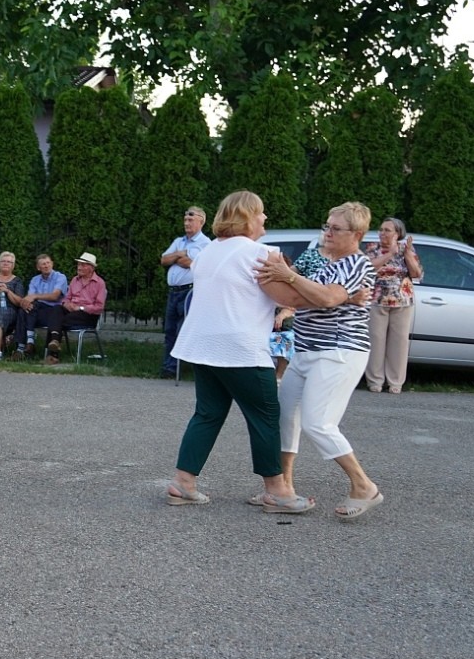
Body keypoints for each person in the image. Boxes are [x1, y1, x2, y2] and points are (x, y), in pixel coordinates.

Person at [165, 192, 312, 513]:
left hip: (203, 346)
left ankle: (183, 482)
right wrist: (331, 292)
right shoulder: (261, 254)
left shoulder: (207, 252)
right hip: (241, 349)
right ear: (246, 218)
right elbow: (292, 298)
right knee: (265, 416)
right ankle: (277, 491)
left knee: (207, 413)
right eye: (260, 213)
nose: (265, 219)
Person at [255, 201, 383, 519]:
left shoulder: (357, 263)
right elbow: (302, 296)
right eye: (326, 226)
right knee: (285, 417)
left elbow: (327, 297)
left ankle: (364, 486)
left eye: (335, 228)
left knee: (318, 423)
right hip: (306, 350)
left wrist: (289, 276)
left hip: (339, 352)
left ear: (357, 234)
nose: (327, 232)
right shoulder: (326, 262)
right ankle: (282, 488)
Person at [364, 217, 423, 394]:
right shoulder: (373, 248)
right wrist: (389, 254)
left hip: (402, 300)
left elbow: (417, 274)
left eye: (387, 230)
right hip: (377, 299)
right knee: (376, 339)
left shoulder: (407, 249)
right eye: (381, 229)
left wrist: (406, 254)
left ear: (397, 233)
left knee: (399, 341)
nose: (382, 233)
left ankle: (395, 382)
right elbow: (368, 268)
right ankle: (375, 380)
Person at [159, 206, 210, 377]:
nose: (186, 223)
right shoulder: (179, 242)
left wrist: (179, 258)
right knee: (170, 329)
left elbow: (192, 264)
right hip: (173, 292)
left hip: (190, 293)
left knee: (184, 329)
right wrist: (180, 253)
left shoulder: (205, 244)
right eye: (185, 220)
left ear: (201, 221)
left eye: (190, 219)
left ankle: (187, 367)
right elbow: (164, 259)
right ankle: (169, 367)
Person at [43, 252, 107, 364]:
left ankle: (53, 354)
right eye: (78, 264)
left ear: (91, 268)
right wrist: (67, 304)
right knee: (56, 310)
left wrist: (81, 308)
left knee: (56, 321)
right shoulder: (74, 280)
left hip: (88, 315)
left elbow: (99, 307)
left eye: (83, 265)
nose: (79, 267)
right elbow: (66, 299)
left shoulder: (100, 283)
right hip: (71, 312)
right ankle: (54, 341)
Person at [11, 254, 68, 359]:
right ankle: (25, 346)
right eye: (43, 264)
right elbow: (29, 299)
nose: (46, 266)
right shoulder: (35, 280)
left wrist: (35, 296)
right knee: (24, 309)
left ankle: (24, 346)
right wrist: (26, 302)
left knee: (31, 306)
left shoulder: (60, 277)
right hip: (36, 313)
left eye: (48, 263)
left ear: (52, 264)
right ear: (38, 268)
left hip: (53, 314)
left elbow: (55, 296)